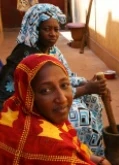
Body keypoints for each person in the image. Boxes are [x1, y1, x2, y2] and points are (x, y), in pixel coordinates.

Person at [0, 3, 106, 156]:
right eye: (46, 29)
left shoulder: (52, 50)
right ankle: (76, 154)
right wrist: (86, 88)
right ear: (34, 29)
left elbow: (66, 77)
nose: (53, 34)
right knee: (81, 115)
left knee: (93, 98)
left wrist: (87, 83)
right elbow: (43, 94)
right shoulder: (27, 56)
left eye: (56, 29)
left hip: (50, 98)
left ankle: (94, 151)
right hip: (23, 108)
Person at [0, 54, 111, 165]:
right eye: (46, 90)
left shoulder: (12, 109)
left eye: (64, 85)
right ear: (28, 95)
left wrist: (94, 158)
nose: (62, 98)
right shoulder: (55, 149)